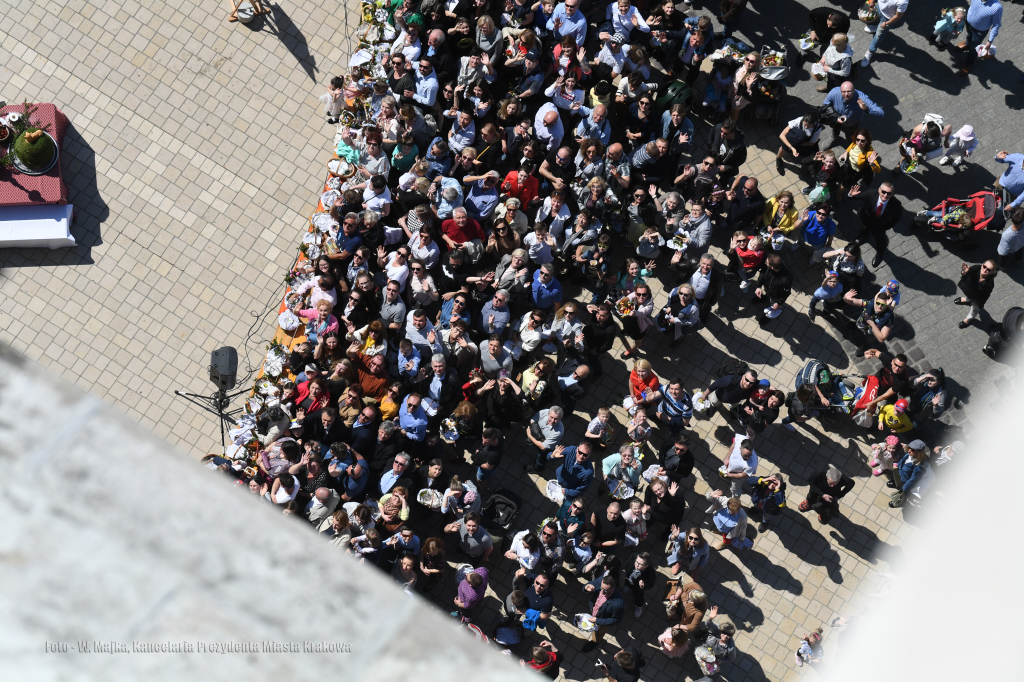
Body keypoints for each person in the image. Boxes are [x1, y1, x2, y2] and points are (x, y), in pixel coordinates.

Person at [853, 182, 902, 268]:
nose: (885, 195)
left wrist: (887, 226)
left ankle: (880, 253)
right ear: (879, 190)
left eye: (889, 193)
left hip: (880, 226)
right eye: (883, 192)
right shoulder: (870, 193)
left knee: (881, 241)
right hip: (866, 220)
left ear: (892, 194)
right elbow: (856, 196)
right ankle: (864, 236)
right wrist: (851, 195)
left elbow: (896, 218)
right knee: (864, 228)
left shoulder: (896, 204)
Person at [821, 82, 883, 147]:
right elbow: (825, 105)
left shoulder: (862, 98)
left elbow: (880, 112)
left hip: (852, 126)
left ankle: (850, 148)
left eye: (849, 91)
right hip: (837, 121)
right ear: (840, 90)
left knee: (851, 139)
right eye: (843, 92)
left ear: (854, 90)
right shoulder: (834, 92)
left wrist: (866, 108)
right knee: (835, 130)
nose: (846, 94)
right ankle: (834, 137)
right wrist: (836, 117)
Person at [581, 574, 625, 652]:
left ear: (613, 588)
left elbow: (615, 619)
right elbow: (590, 584)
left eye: (606, 590)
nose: (602, 591)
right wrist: (586, 587)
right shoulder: (601, 580)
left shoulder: (618, 604)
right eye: (601, 588)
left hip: (601, 621)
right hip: (594, 612)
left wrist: (597, 621)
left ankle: (595, 642)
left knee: (598, 632)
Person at [958, 0, 1003, 77]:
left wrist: (990, 41)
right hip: (969, 23)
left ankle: (968, 63)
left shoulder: (997, 8)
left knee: (974, 48)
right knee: (969, 35)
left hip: (979, 31)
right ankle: (967, 43)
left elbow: (996, 25)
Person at [860, 0, 908, 68]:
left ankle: (870, 51)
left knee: (878, 36)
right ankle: (877, 27)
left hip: (887, 18)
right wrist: (873, 1)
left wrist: (886, 23)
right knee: (878, 20)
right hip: (879, 6)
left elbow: (898, 16)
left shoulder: (903, 1)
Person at [883, 439, 931, 507]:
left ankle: (900, 501)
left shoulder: (918, 467)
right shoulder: (909, 455)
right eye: (909, 448)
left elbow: (913, 480)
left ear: (918, 453)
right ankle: (897, 484)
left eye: (912, 450)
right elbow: (903, 460)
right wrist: (897, 465)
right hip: (900, 475)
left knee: (904, 494)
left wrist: (905, 489)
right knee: (897, 480)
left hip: (905, 482)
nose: (909, 451)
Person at [955, 260, 999, 330]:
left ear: (991, 272)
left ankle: (969, 319)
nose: (985, 270)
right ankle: (967, 299)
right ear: (982, 265)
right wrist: (964, 272)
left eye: (988, 269)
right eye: (984, 266)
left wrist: (979, 303)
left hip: (976, 298)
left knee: (975, 309)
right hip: (968, 290)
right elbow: (964, 274)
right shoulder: (976, 268)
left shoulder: (989, 284)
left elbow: (985, 296)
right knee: (969, 297)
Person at [526, 406, 565, 473]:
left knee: (541, 459)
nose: (552, 421)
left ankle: (537, 469)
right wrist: (537, 435)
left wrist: (530, 436)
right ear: (548, 413)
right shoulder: (544, 412)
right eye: (551, 417)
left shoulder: (558, 432)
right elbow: (532, 421)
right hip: (538, 438)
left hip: (547, 448)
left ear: (560, 419)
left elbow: (543, 447)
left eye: (556, 419)